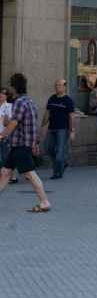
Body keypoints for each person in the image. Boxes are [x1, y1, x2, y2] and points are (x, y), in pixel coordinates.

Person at [0, 73, 50, 212]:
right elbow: (30, 124)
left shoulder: (20, 102)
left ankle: (44, 201)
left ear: (14, 87)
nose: (8, 90)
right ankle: (44, 201)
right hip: (20, 144)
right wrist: (34, 143)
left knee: (30, 174)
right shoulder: (29, 101)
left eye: (9, 86)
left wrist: (1, 135)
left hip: (21, 144)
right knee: (5, 172)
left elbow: (13, 124)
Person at [42, 79, 75, 180]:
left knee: (59, 153)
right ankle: (63, 163)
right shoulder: (52, 98)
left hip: (63, 129)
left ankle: (57, 173)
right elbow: (47, 113)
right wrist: (42, 125)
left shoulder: (68, 100)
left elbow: (72, 117)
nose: (57, 87)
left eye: (60, 85)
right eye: (56, 85)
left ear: (65, 87)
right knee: (48, 149)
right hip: (51, 128)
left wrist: (72, 131)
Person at [0, 90, 14, 184]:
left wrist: (6, 119)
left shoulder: (9, 106)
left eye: (3, 93)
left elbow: (11, 122)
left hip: (4, 135)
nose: (1, 94)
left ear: (7, 96)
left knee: (6, 157)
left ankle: (11, 177)